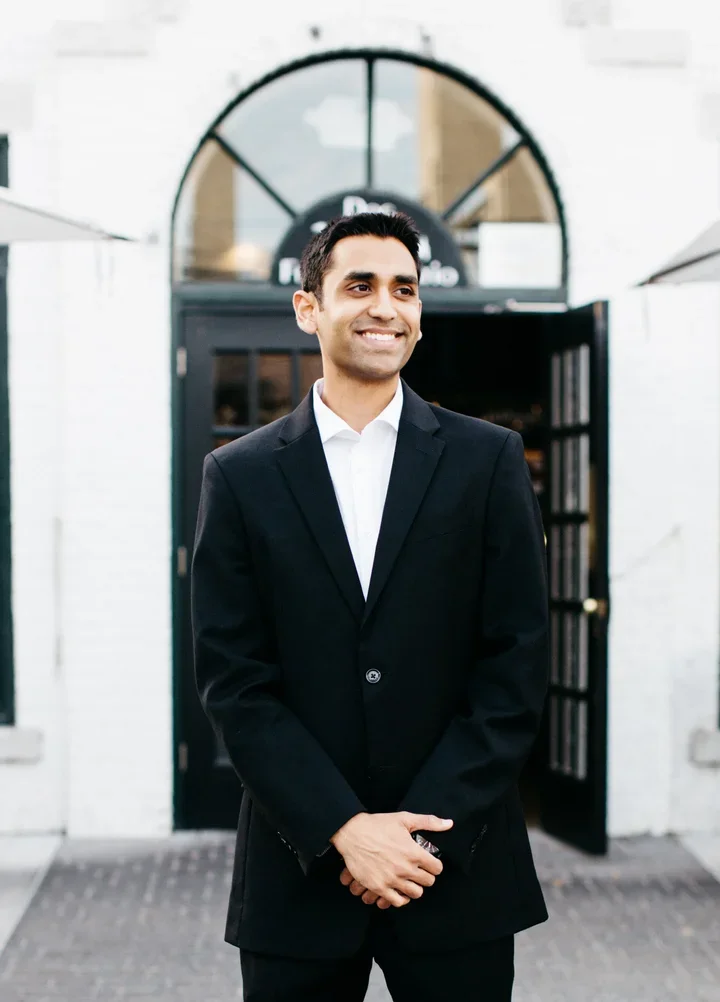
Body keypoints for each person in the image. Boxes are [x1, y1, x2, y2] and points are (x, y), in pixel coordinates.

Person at [191, 212, 549, 1001]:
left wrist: (414, 837)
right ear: (308, 308)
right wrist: (344, 831)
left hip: (456, 869)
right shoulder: (240, 475)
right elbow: (233, 682)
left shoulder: (486, 461)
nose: (386, 306)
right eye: (360, 286)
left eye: (405, 290)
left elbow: (515, 667)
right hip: (300, 872)